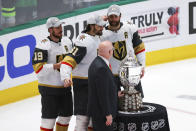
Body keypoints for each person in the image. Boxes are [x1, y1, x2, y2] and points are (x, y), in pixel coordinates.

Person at [60, 15, 106, 131]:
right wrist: (65, 77)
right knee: (83, 119)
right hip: (83, 84)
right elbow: (68, 61)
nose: (102, 28)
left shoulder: (95, 36)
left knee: (93, 119)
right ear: (92, 26)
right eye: (100, 26)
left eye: (102, 26)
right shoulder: (84, 42)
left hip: (94, 83)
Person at [32, 17, 73, 131]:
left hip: (65, 87)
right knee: (48, 121)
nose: (61, 29)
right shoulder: (43, 45)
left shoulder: (67, 41)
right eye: (57, 27)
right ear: (50, 30)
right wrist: (55, 66)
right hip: (48, 89)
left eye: (61, 26)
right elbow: (38, 68)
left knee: (66, 117)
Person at [101, 4, 146, 98]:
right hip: (111, 74)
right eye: (111, 17)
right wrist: (99, 20)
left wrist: (141, 66)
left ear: (120, 16)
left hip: (130, 71)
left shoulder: (129, 28)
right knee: (114, 104)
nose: (113, 19)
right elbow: (86, 35)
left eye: (115, 16)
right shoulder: (101, 33)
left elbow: (139, 48)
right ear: (107, 17)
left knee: (136, 100)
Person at [88, 41, 118, 131]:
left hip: (98, 111)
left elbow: (103, 88)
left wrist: (115, 93)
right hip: (102, 114)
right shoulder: (102, 68)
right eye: (112, 50)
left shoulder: (96, 62)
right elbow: (102, 94)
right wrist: (107, 114)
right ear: (109, 52)